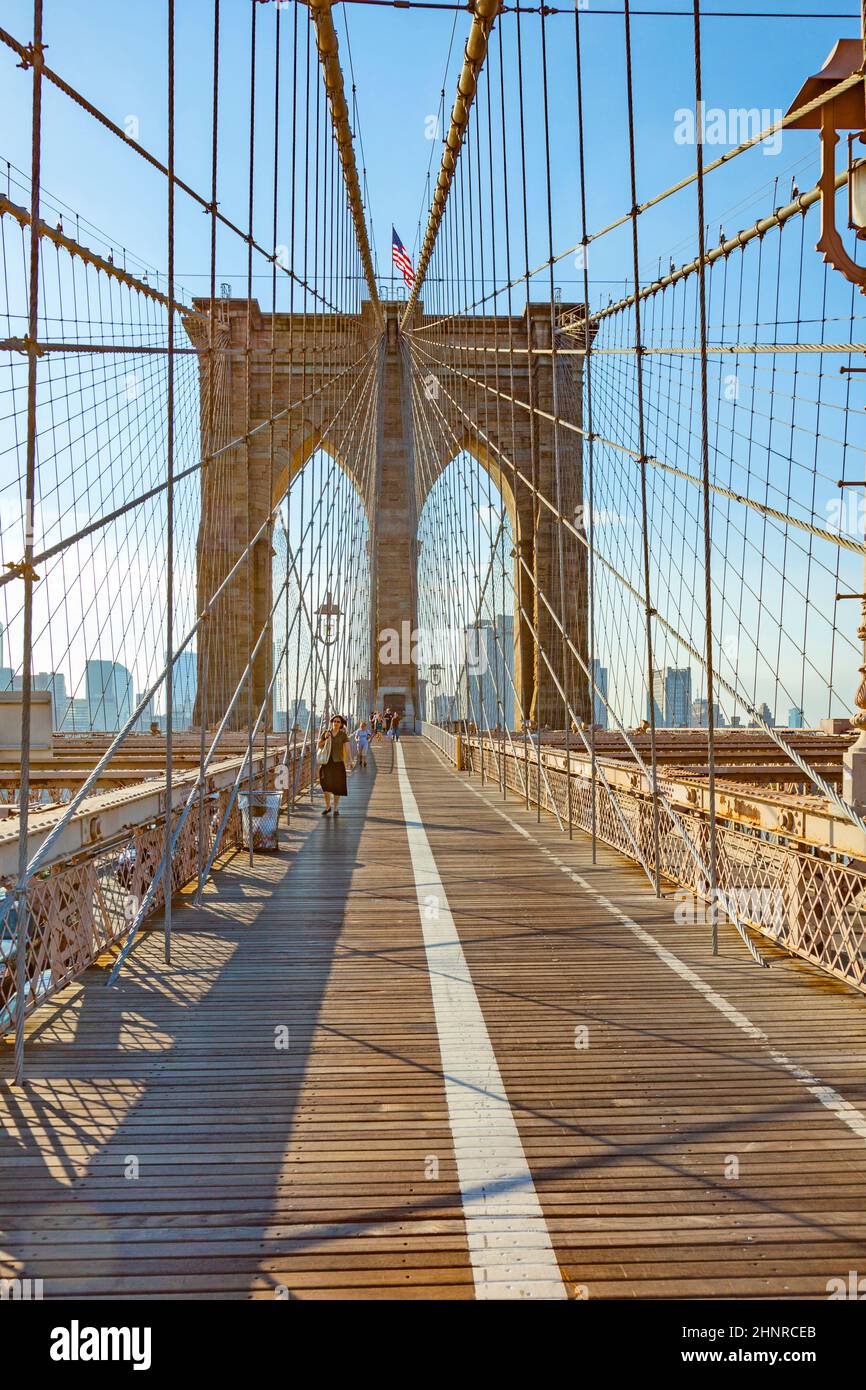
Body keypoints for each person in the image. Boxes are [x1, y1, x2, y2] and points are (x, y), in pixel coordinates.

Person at [317, 714, 354, 816]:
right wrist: (325, 739)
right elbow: (319, 745)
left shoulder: (343, 735)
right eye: (334, 721)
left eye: (338, 722)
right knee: (325, 785)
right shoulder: (326, 733)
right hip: (326, 762)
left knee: (337, 786)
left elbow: (347, 748)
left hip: (338, 763)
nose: (336, 723)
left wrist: (350, 761)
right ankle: (328, 806)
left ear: (341, 724)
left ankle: (336, 808)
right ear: (332, 723)